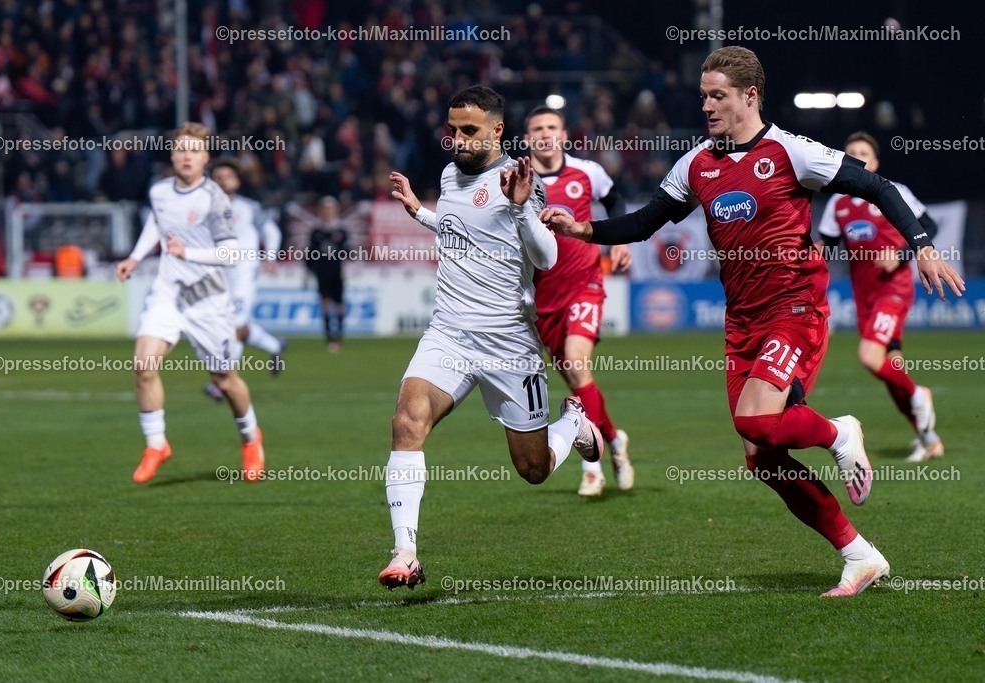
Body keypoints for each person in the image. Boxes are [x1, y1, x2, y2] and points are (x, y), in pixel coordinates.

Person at [542, 47, 964, 597]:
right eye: (703, 96)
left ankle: (839, 431)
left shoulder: (791, 151)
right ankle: (859, 555)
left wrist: (921, 246)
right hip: (742, 321)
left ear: (749, 95)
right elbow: (645, 222)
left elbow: (877, 187)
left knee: (757, 422)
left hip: (796, 308)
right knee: (761, 457)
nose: (707, 106)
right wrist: (583, 230)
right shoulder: (696, 164)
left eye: (717, 96)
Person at [379, 85, 604, 590]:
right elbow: (462, 230)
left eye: (469, 130)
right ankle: (405, 552)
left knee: (533, 469)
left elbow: (548, 258)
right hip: (449, 334)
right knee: (407, 422)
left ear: (497, 130)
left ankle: (573, 424)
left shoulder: (520, 181)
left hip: (509, 344)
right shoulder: (448, 175)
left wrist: (521, 208)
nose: (457, 139)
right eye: (452, 130)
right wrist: (420, 212)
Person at [115, 122, 265, 484]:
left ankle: (251, 439)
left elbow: (230, 253)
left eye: (194, 150)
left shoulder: (214, 199)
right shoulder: (159, 191)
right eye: (181, 149)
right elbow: (158, 222)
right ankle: (156, 444)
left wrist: (189, 253)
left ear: (205, 158)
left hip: (208, 299)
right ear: (172, 155)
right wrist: (135, 257)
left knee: (224, 380)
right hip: (168, 292)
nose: (187, 156)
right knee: (143, 365)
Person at [524, 105, 635, 496]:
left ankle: (593, 467)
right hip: (543, 298)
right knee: (576, 377)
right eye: (537, 128)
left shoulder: (587, 171)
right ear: (527, 138)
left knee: (575, 361)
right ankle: (614, 439)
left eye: (552, 127)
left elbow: (615, 201)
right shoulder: (518, 180)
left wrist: (619, 239)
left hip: (585, 283)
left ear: (564, 134)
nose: (545, 134)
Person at [816, 132, 943, 463]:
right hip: (864, 298)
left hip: (894, 290)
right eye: (850, 153)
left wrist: (900, 255)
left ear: (875, 163)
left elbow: (929, 226)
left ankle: (919, 394)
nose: (857, 158)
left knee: (869, 356)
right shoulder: (838, 204)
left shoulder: (893, 191)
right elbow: (825, 250)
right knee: (892, 370)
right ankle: (929, 439)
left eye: (863, 153)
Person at [203, 158, 286, 401]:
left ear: (237, 181)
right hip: (219, 274)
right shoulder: (206, 210)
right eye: (217, 178)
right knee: (232, 325)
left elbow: (271, 231)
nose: (222, 181)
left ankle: (224, 383)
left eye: (227, 177)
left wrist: (270, 257)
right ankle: (274, 346)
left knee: (234, 326)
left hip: (244, 272)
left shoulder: (249, 207)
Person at [307, 196, 349, 352]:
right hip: (322, 272)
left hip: (337, 272)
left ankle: (339, 336)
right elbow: (310, 254)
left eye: (330, 209)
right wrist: (308, 271)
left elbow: (348, 252)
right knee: (324, 302)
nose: (328, 212)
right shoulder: (316, 231)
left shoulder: (341, 230)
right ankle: (329, 337)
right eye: (325, 209)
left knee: (339, 304)